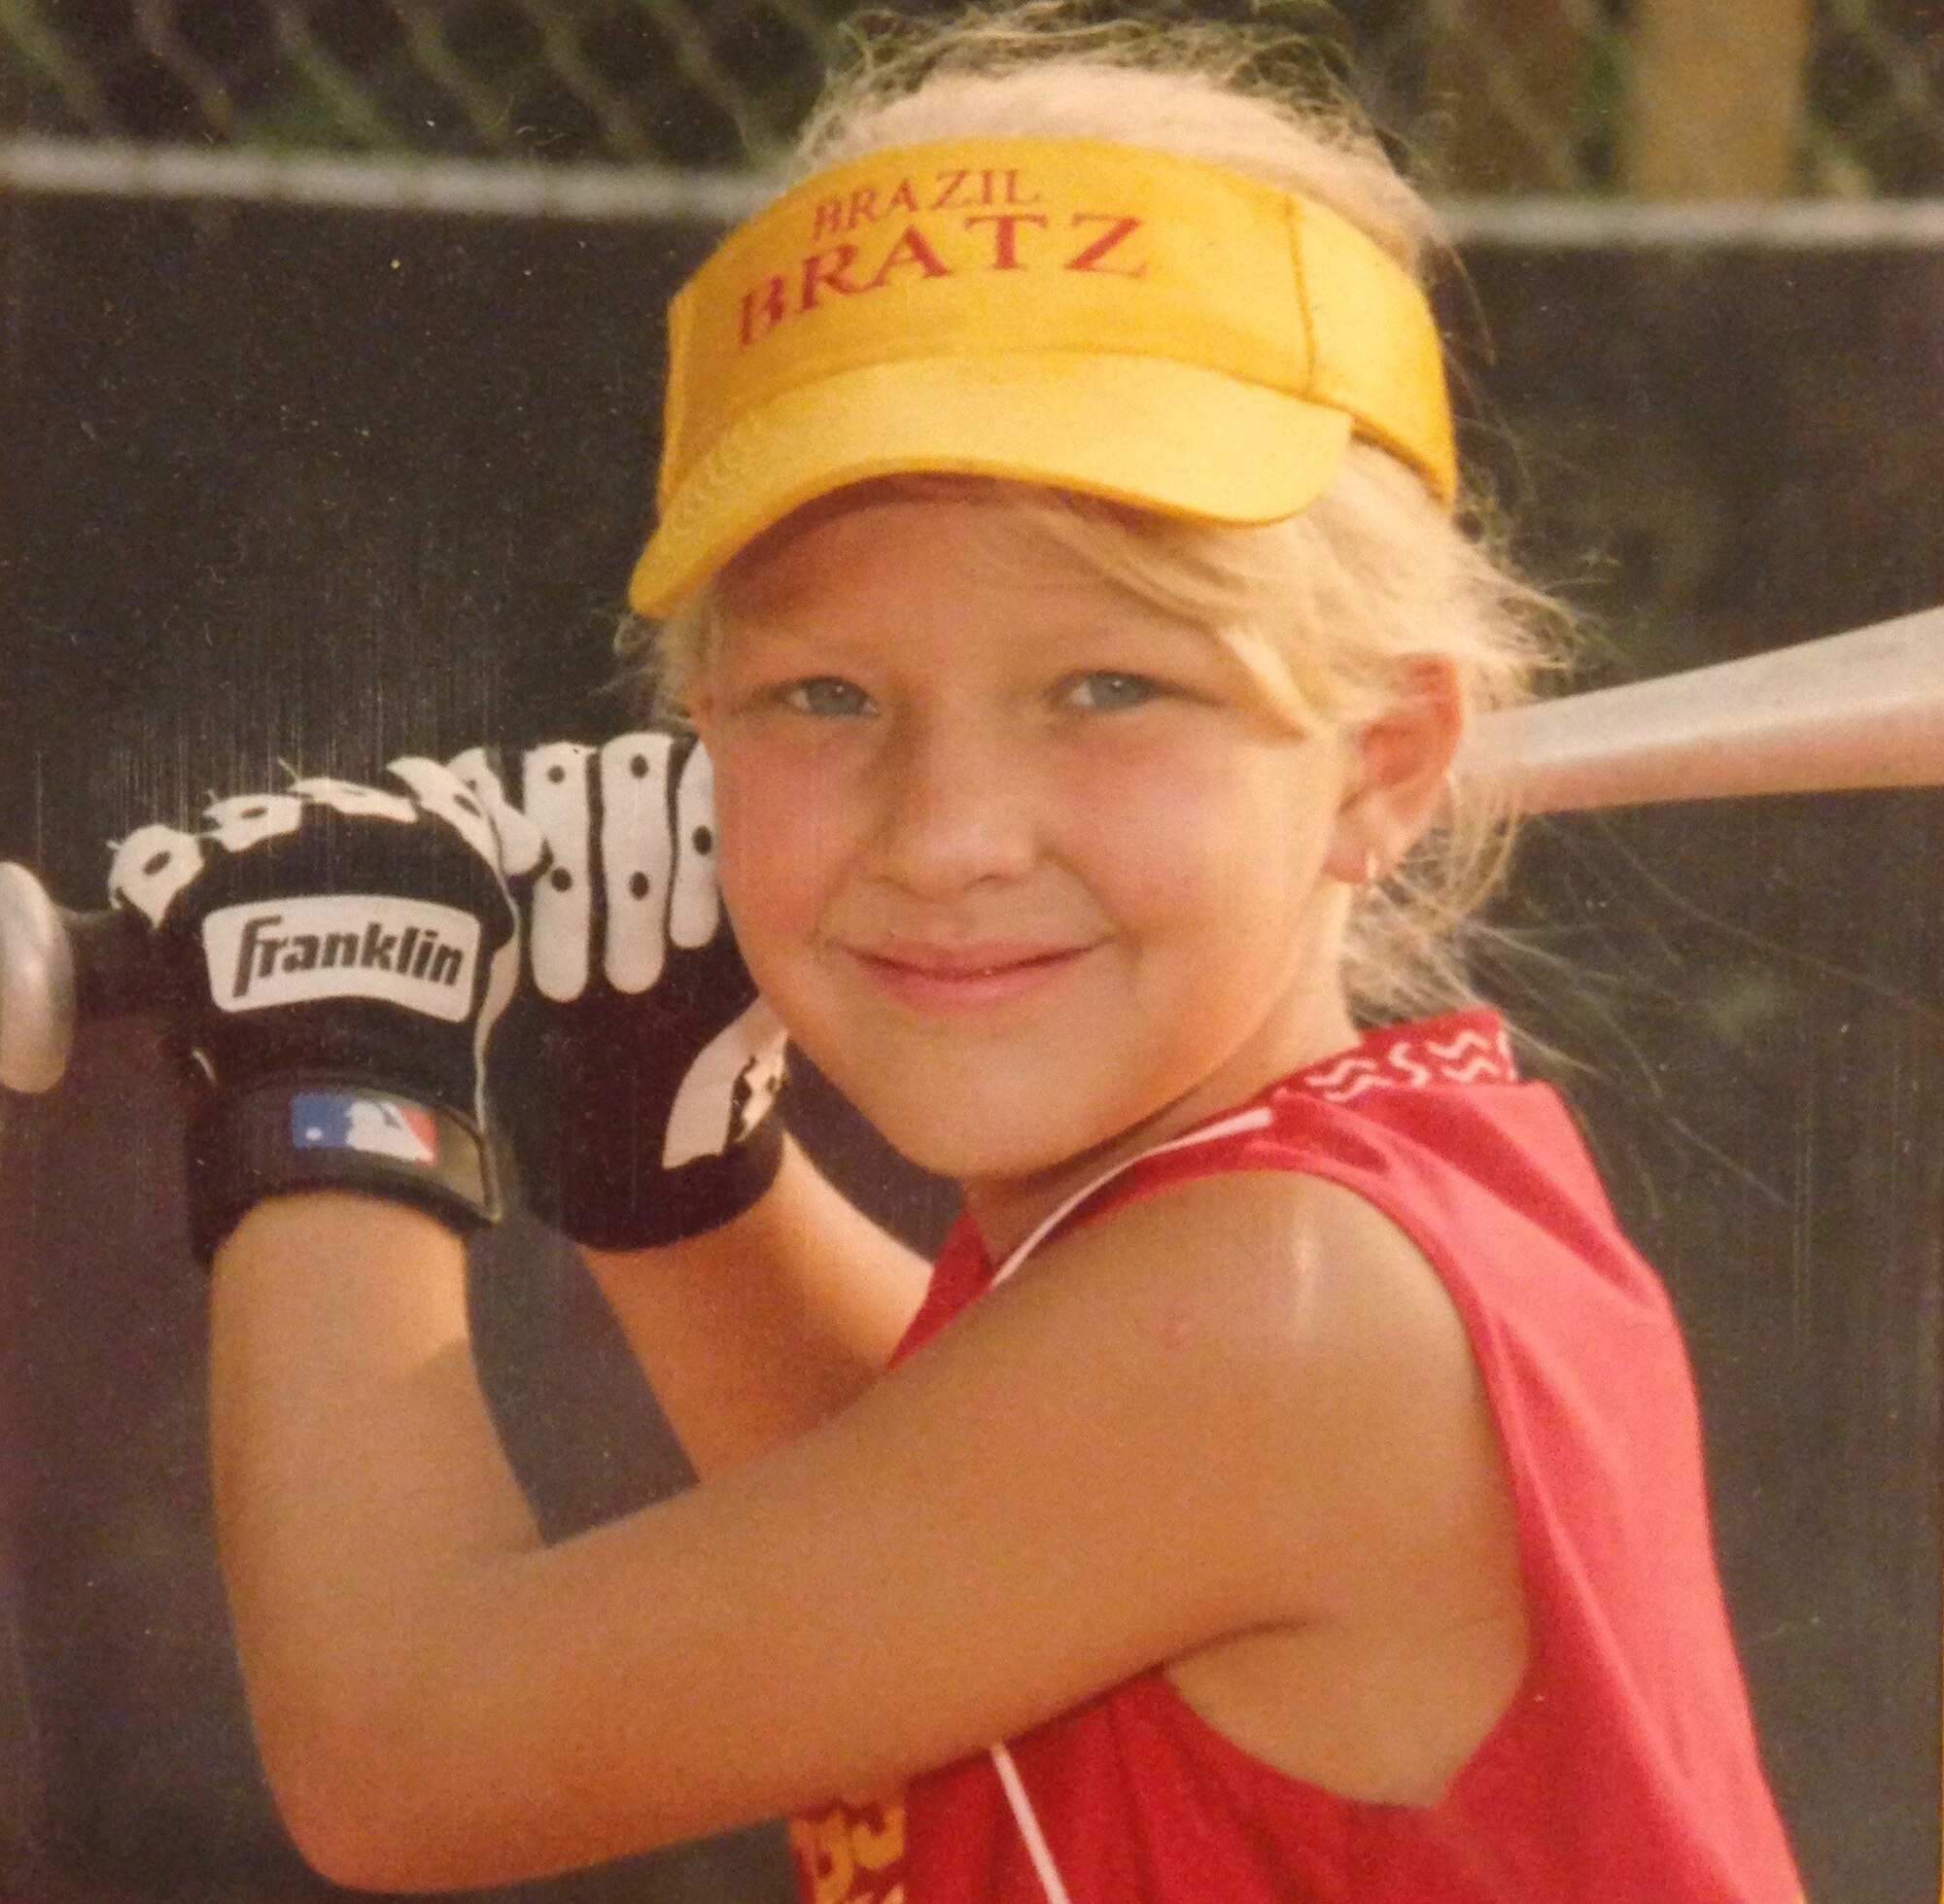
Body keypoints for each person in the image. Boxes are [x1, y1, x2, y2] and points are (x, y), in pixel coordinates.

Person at [113, 10, 1805, 1900]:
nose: (943, 831)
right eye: (824, 694)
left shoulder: (1287, 1311)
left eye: (1106, 687)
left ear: (1382, 761)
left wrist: (335, 1062)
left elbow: (405, 1750)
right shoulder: (1274, 1234)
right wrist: (670, 1164)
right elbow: (930, 1538)